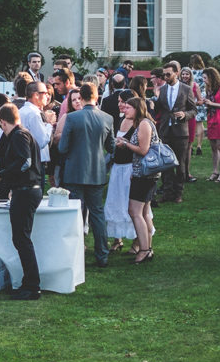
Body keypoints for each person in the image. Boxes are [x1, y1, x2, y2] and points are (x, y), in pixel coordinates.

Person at [0, 103, 44, 300]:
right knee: (21, 239)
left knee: (22, 239)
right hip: (25, 190)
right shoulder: (21, 134)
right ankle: (29, 283)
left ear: (3, 122)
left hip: (26, 190)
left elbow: (25, 162)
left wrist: (2, 174)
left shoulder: (19, 135)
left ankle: (32, 286)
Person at [58, 82, 114, 267]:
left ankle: (75, 252)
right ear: (96, 97)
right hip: (96, 171)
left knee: (76, 213)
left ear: (80, 98)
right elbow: (111, 147)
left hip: (74, 171)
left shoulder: (72, 118)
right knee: (97, 213)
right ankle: (102, 254)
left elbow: (62, 147)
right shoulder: (107, 118)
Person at [119, 94, 159, 264]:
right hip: (144, 174)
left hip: (144, 174)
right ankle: (147, 247)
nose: (124, 109)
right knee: (143, 212)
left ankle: (143, 249)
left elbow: (143, 150)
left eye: (128, 107)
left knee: (134, 211)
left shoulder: (144, 124)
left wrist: (125, 143)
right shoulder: (142, 123)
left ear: (137, 109)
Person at [156, 62, 197, 203]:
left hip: (181, 132)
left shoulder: (186, 89)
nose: (165, 77)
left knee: (180, 164)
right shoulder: (162, 89)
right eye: (164, 75)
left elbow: (194, 109)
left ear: (176, 73)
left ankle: (178, 193)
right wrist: (154, 99)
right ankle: (167, 192)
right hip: (165, 131)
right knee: (166, 163)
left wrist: (185, 114)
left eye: (168, 74)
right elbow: (158, 109)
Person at [105, 90, 140, 253]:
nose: (119, 104)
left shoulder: (138, 123)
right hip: (117, 167)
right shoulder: (119, 120)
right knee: (115, 202)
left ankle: (137, 241)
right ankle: (117, 239)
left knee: (130, 205)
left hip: (130, 167)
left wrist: (125, 143)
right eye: (119, 101)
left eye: (122, 102)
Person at [201, 67, 220, 182]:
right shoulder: (209, 88)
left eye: (205, 78)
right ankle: (215, 172)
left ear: (211, 77)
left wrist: (212, 103)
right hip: (211, 118)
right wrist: (205, 102)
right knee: (213, 147)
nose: (203, 80)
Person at [189, 54, 208, 158]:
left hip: (192, 97)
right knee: (200, 123)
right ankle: (199, 146)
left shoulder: (190, 73)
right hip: (202, 97)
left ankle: (190, 146)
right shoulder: (204, 73)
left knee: (191, 123)